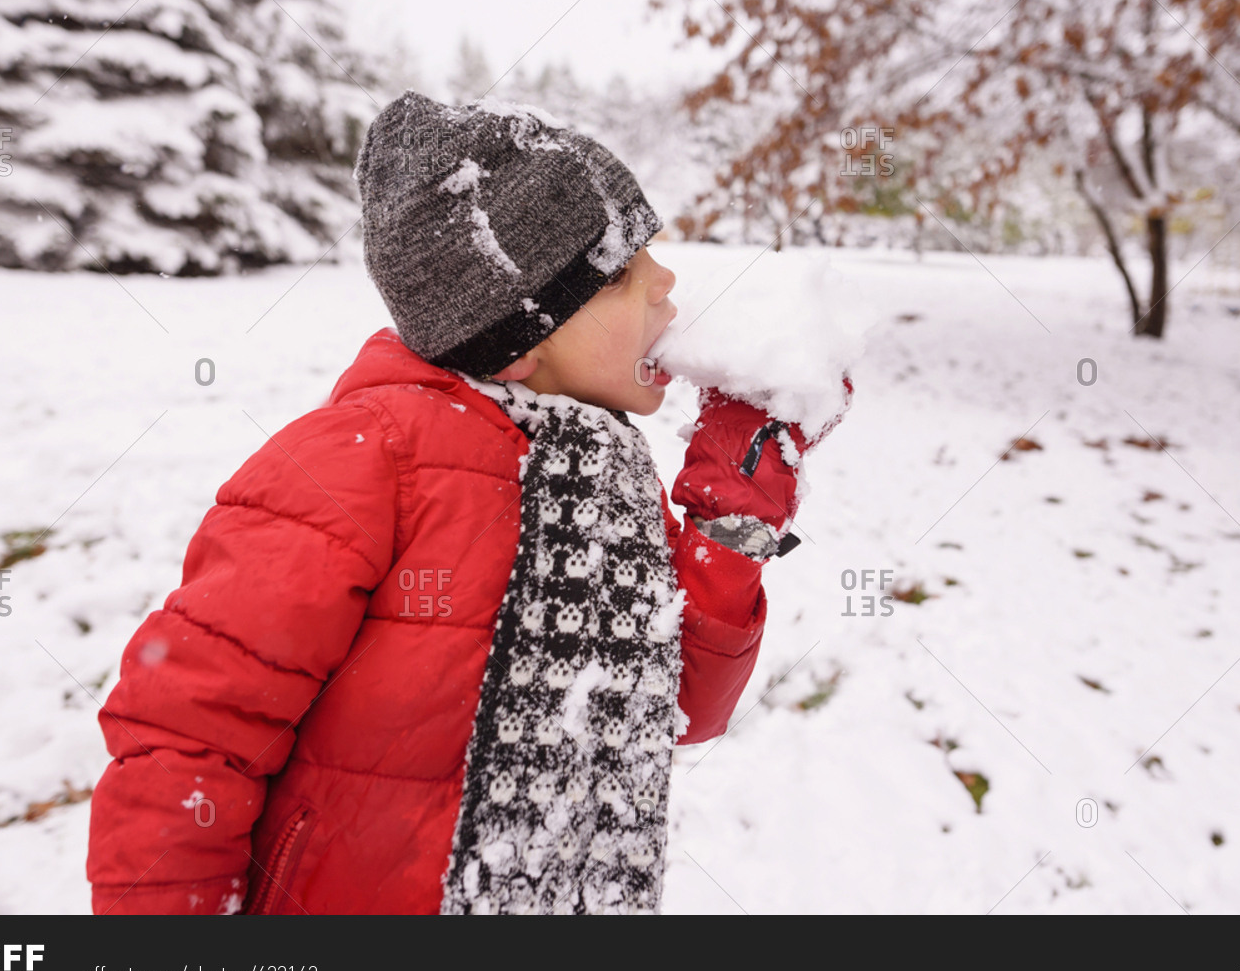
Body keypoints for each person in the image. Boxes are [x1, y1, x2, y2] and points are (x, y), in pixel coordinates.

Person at [85, 91, 849, 914]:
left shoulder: (608, 471)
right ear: (517, 339)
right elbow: (187, 737)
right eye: (625, 274)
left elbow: (680, 707)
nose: (666, 283)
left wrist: (728, 518)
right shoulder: (356, 464)